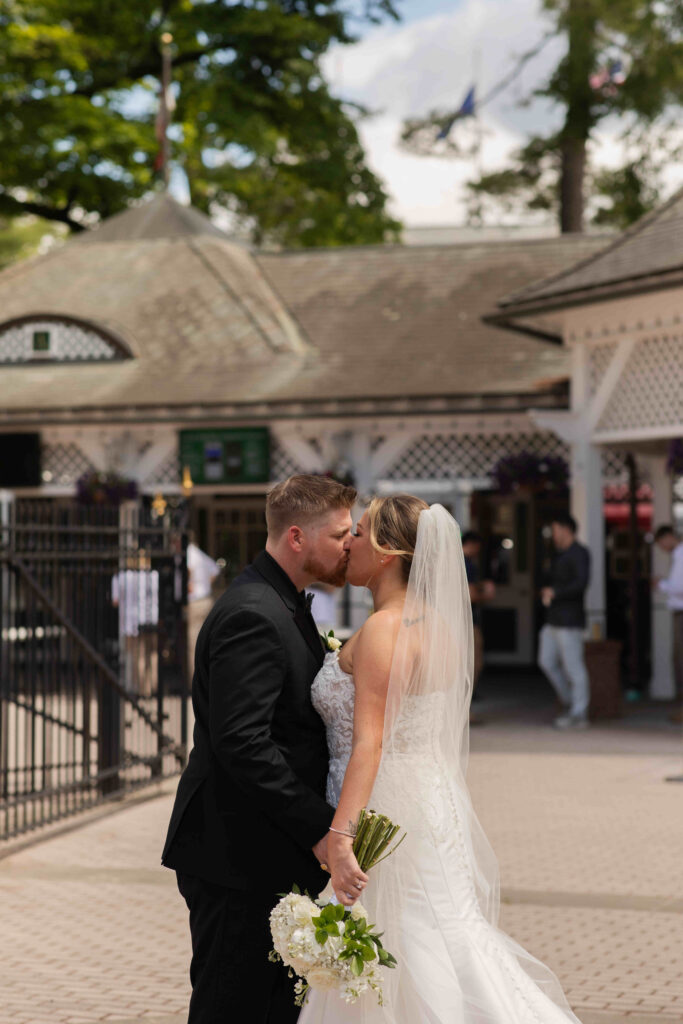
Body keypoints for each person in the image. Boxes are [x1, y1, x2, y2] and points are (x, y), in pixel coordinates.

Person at [299, 495, 581, 1023]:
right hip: (429, 800)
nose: (348, 543)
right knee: (434, 935)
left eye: (358, 532)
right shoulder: (438, 627)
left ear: (386, 552)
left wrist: (340, 836)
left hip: (384, 810)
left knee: (411, 946)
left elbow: (371, 742)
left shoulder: (386, 629)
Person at [161, 474, 357, 1024]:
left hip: (263, 851)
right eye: (341, 533)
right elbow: (242, 742)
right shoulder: (253, 612)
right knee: (234, 1007)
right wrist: (321, 827)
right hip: (234, 856)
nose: (350, 543)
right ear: (297, 537)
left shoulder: (283, 601)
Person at [538, 513, 591, 730]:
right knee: (546, 661)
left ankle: (579, 713)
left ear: (566, 529)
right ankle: (570, 703)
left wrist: (555, 592)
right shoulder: (557, 554)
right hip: (553, 619)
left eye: (556, 529)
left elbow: (581, 583)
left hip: (570, 620)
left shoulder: (580, 553)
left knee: (574, 667)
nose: (554, 534)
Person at [653, 524, 683, 716]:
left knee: (680, 659)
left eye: (661, 542)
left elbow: (678, 587)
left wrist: (661, 584)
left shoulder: (680, 554)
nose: (661, 547)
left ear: (668, 537)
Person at [461, 530, 496, 691]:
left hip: (453, 620)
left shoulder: (451, 561)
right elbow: (470, 595)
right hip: (467, 621)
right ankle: (466, 706)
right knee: (473, 663)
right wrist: (487, 595)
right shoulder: (467, 564)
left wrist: (480, 585)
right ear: (472, 545)